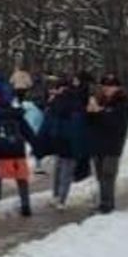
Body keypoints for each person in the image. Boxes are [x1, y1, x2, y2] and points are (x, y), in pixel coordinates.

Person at [42, 74, 90, 209]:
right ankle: (61, 199)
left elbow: (51, 119)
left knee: (60, 169)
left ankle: (57, 197)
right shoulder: (77, 100)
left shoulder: (60, 101)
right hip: (69, 140)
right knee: (65, 171)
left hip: (61, 138)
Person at [87, 74, 128, 213]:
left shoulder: (122, 103)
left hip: (112, 145)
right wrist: (91, 112)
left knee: (108, 175)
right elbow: (93, 123)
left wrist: (99, 112)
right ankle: (103, 202)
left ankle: (108, 205)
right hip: (98, 144)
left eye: (110, 86)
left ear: (117, 87)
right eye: (104, 86)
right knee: (100, 176)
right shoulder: (101, 101)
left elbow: (115, 123)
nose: (107, 89)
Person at [0, 100, 38, 217]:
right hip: (18, 153)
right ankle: (25, 205)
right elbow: (30, 134)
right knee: (21, 179)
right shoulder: (19, 118)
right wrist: (36, 147)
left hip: (2, 154)